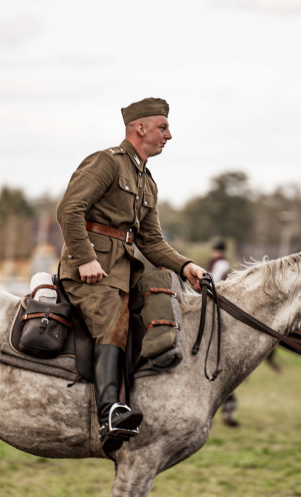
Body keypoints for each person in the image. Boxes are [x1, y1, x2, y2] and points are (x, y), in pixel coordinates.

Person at [57, 97, 207, 452]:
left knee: (161, 307)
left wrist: (185, 266)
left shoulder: (147, 182)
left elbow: (152, 242)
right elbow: (69, 210)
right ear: (140, 128)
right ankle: (110, 413)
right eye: (163, 127)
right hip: (89, 273)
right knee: (115, 320)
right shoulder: (106, 162)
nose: (169, 135)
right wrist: (85, 258)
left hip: (123, 271)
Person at [207, 241, 238, 426]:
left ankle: (229, 408)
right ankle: (228, 409)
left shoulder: (221, 265)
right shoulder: (219, 263)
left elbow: (213, 282)